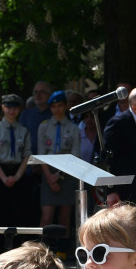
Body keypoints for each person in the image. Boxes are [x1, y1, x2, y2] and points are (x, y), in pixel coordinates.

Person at [0, 94, 34, 227]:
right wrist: (4, 178)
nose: (11, 111)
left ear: (19, 109)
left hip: (18, 173)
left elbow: (27, 155)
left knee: (19, 214)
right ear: (3, 107)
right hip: (0, 173)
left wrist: (16, 177)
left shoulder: (24, 131)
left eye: (15, 107)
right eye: (8, 107)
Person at [36, 90, 81, 229]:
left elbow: (75, 155)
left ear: (66, 106)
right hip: (48, 172)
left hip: (67, 172)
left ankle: (62, 250)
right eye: (53, 106)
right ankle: (40, 248)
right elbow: (41, 154)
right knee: (46, 217)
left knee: (65, 217)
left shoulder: (74, 128)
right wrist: (50, 177)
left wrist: (59, 175)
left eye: (60, 105)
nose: (57, 109)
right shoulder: (44, 126)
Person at [20, 81, 53, 152]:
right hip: (29, 158)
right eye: (35, 92)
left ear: (49, 95)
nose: (38, 95)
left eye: (42, 92)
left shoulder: (56, 114)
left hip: (51, 158)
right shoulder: (26, 114)